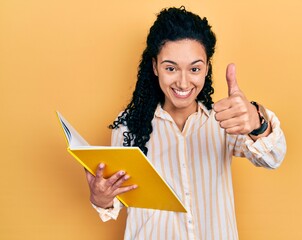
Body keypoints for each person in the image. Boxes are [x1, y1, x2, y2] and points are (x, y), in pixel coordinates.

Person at [85, 6, 286, 239]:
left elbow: (274, 157)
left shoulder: (225, 120)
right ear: (155, 67)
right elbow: (116, 200)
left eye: (194, 69)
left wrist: (257, 121)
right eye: (171, 68)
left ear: (207, 68)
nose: (183, 82)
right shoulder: (127, 125)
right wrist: (101, 198)